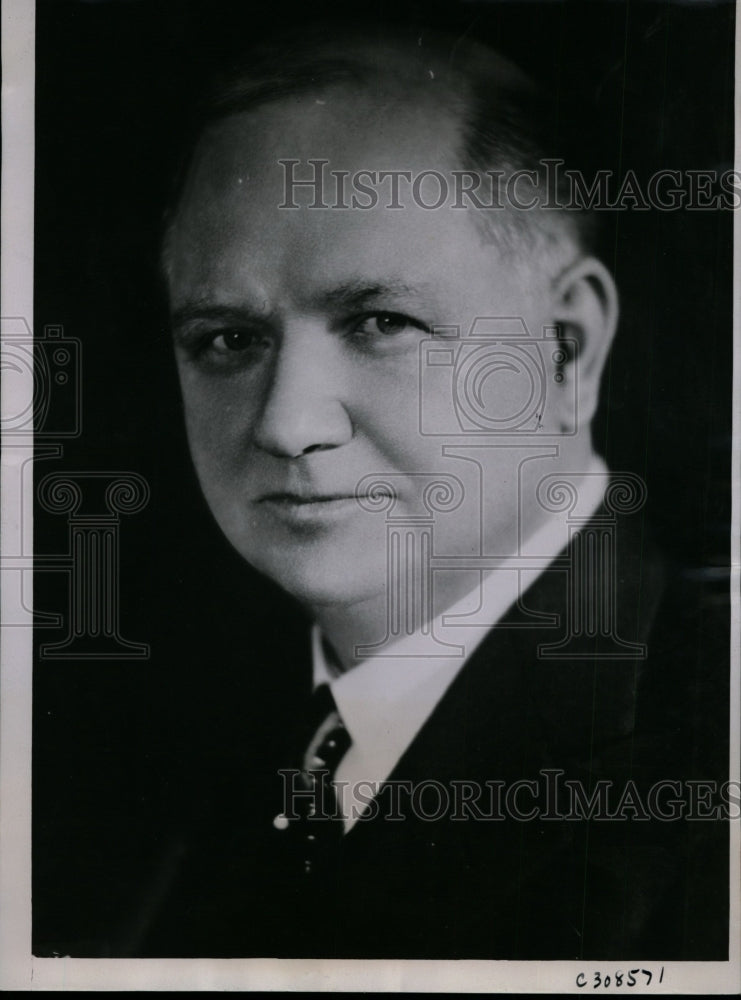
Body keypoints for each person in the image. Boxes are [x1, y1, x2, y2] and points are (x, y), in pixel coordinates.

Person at [136, 24, 727, 959]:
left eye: (380, 321)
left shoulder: (702, 762)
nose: (287, 424)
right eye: (228, 339)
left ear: (565, 347)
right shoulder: (229, 754)